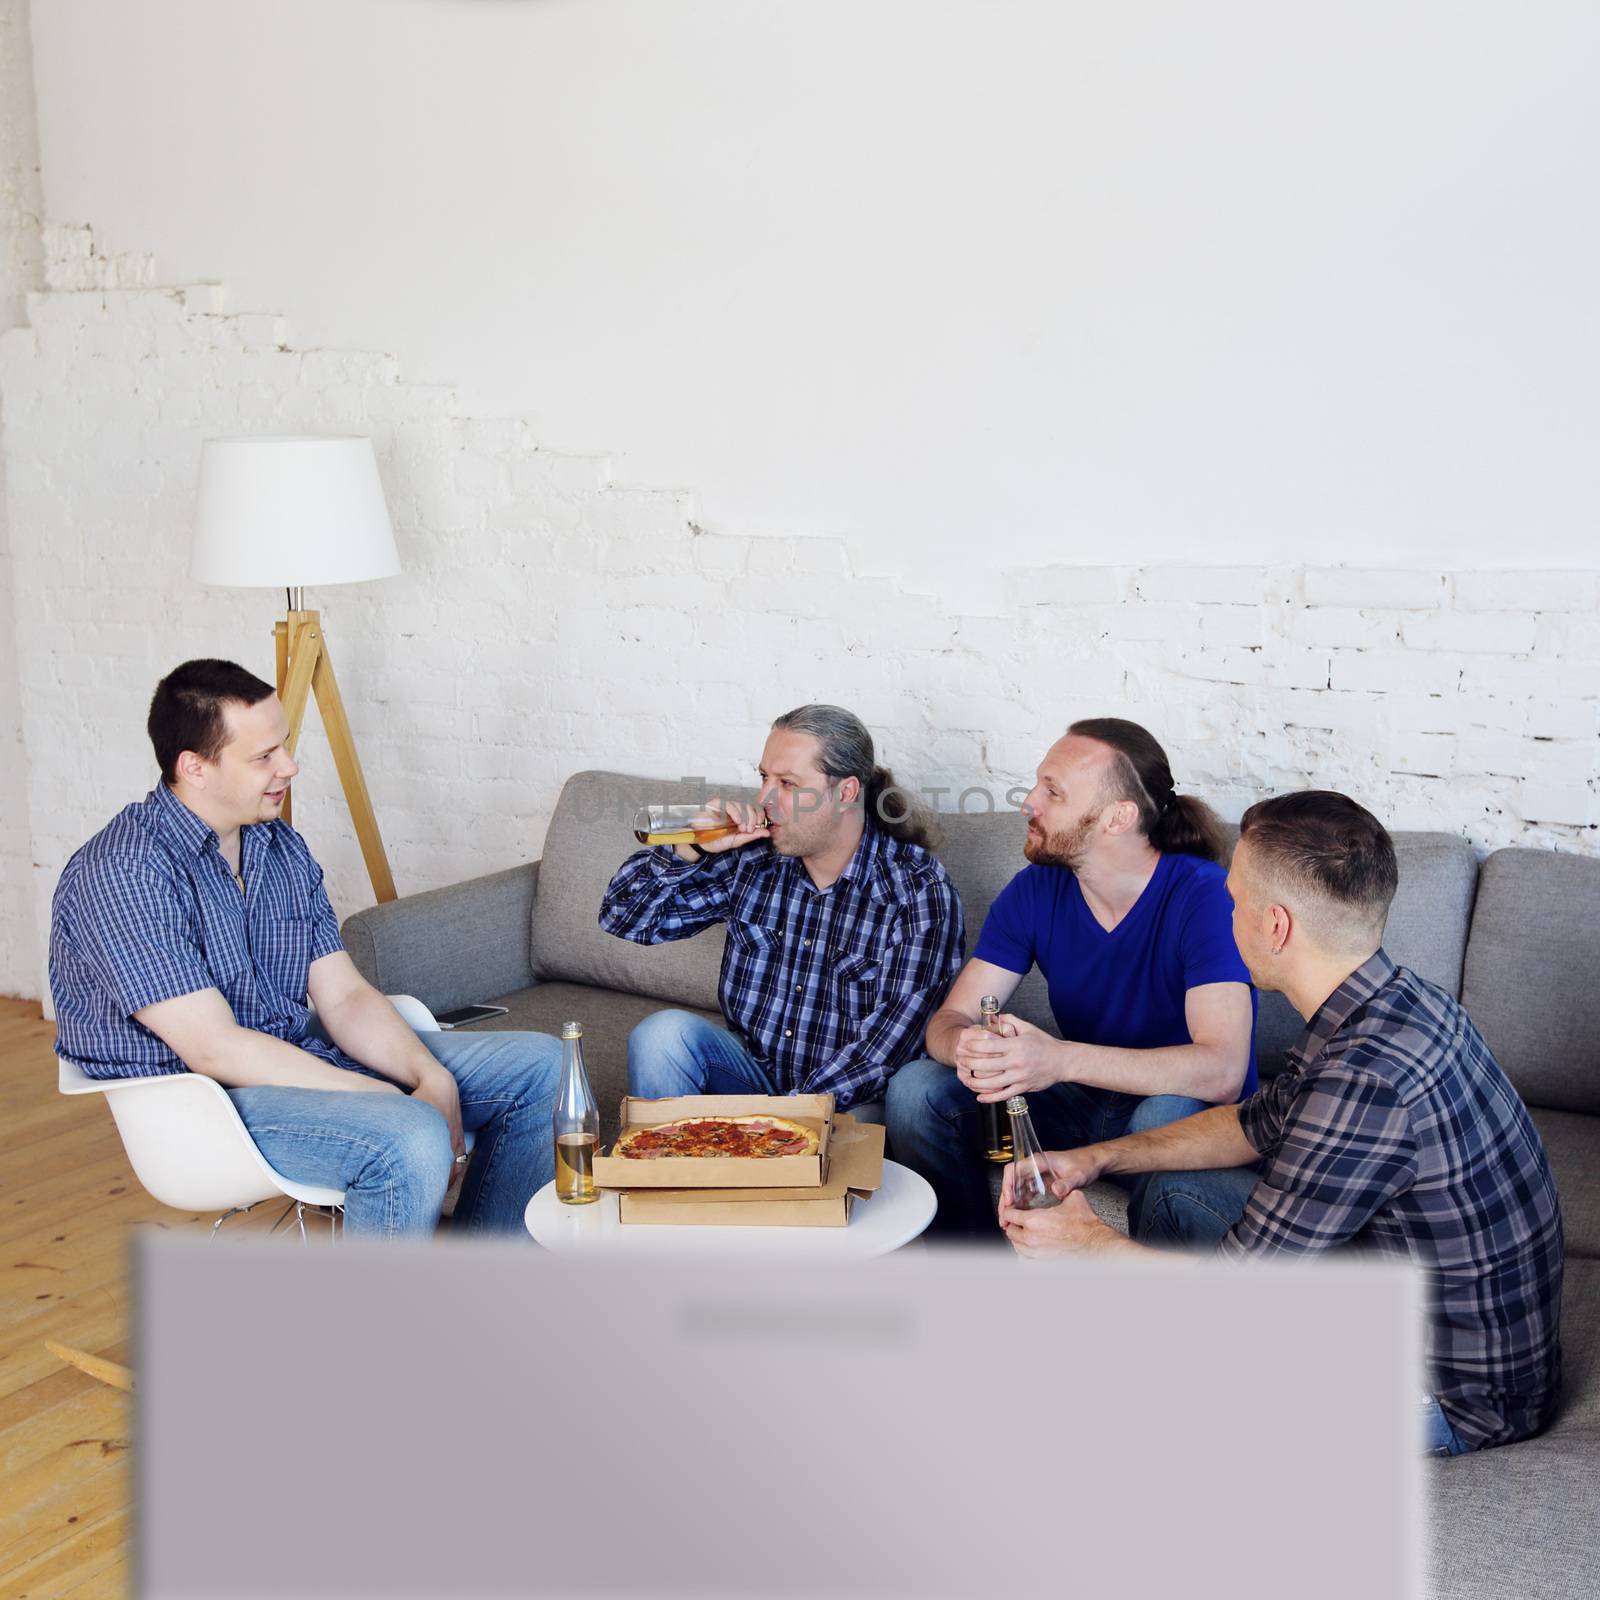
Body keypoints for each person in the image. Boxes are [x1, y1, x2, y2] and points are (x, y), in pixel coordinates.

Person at [1000, 790, 1565, 1455]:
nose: (1223, 914)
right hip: (1404, 1303)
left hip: (1449, 1396)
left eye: (1233, 902)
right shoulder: (1389, 1000)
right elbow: (1251, 1124)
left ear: (1275, 927)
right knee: (1175, 1191)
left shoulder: (1365, 1081)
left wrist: (1087, 1245)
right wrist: (1093, 1159)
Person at [50, 659, 561, 1237]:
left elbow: (342, 995)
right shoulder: (122, 872)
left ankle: (484, 1287)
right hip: (204, 1104)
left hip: (293, 1057)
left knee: (541, 1069)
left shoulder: (276, 845)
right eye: (263, 757)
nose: (289, 767)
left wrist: (429, 1075)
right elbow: (214, 1050)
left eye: (285, 746)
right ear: (194, 767)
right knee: (408, 1135)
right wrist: (385, 1097)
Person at [887, 718, 1257, 1238]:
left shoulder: (1205, 896)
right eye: (1038, 784)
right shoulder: (1034, 890)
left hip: (1171, 1104)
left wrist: (1057, 1059)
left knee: (1165, 1114)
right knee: (914, 1090)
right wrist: (971, 1048)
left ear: (1117, 817)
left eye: (1052, 791)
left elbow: (1222, 1071)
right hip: (1075, 1097)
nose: (1028, 802)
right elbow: (949, 1020)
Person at [598, 704, 964, 1115]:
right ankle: (669, 1175)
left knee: (863, 1120)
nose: (765, 799)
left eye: (788, 783)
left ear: (845, 792)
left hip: (847, 1098)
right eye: (763, 777)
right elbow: (624, 919)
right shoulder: (753, 859)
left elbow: (885, 1049)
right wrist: (691, 849)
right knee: (661, 1035)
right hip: (753, 1076)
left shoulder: (915, 889)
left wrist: (780, 1124)